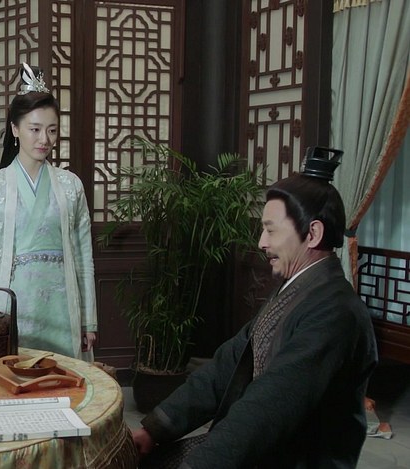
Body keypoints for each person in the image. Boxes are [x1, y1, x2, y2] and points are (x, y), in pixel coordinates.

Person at [131, 147, 378, 468]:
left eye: (271, 230)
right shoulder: (295, 290)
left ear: (312, 233)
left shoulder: (336, 313)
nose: (262, 242)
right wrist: (155, 429)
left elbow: (268, 406)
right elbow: (226, 367)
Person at [0, 63, 97, 360]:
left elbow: (83, 257)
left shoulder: (71, 186)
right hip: (12, 309)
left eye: (52, 130)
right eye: (35, 129)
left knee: (62, 380)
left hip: (62, 310)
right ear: (15, 129)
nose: (44, 140)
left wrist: (88, 320)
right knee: (10, 377)